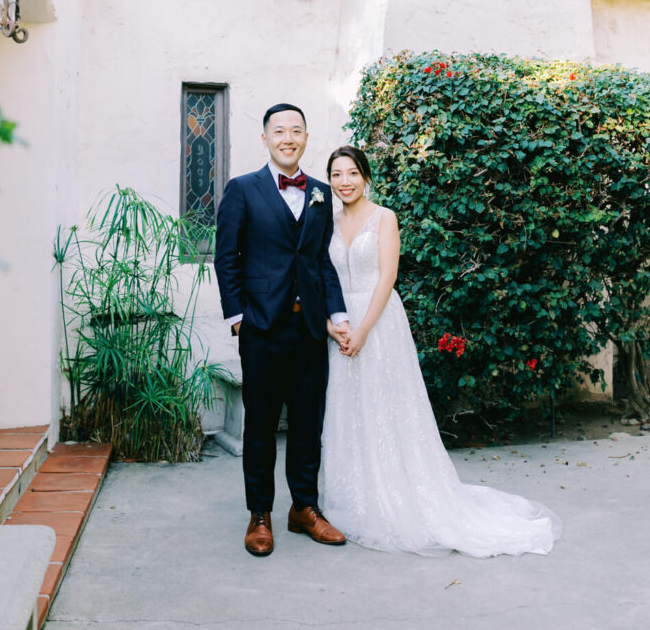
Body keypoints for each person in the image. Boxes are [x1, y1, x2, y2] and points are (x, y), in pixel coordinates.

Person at [321, 145, 563, 558]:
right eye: (336, 175)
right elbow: (321, 277)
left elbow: (387, 279)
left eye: (352, 173)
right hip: (340, 327)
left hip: (377, 325)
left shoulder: (384, 218)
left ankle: (397, 495)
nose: (344, 182)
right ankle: (354, 498)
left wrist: (362, 329)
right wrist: (333, 326)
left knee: (386, 410)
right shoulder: (327, 222)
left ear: (365, 176)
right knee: (350, 412)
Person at [214, 104, 351, 556]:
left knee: (308, 424)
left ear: (306, 138)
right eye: (279, 131)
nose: (288, 138)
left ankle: (304, 509)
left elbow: (321, 263)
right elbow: (226, 257)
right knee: (261, 425)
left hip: (310, 330)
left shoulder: (319, 192)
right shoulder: (242, 190)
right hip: (262, 330)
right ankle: (260, 514)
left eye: (296, 130)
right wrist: (239, 319)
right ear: (266, 138)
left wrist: (338, 316)